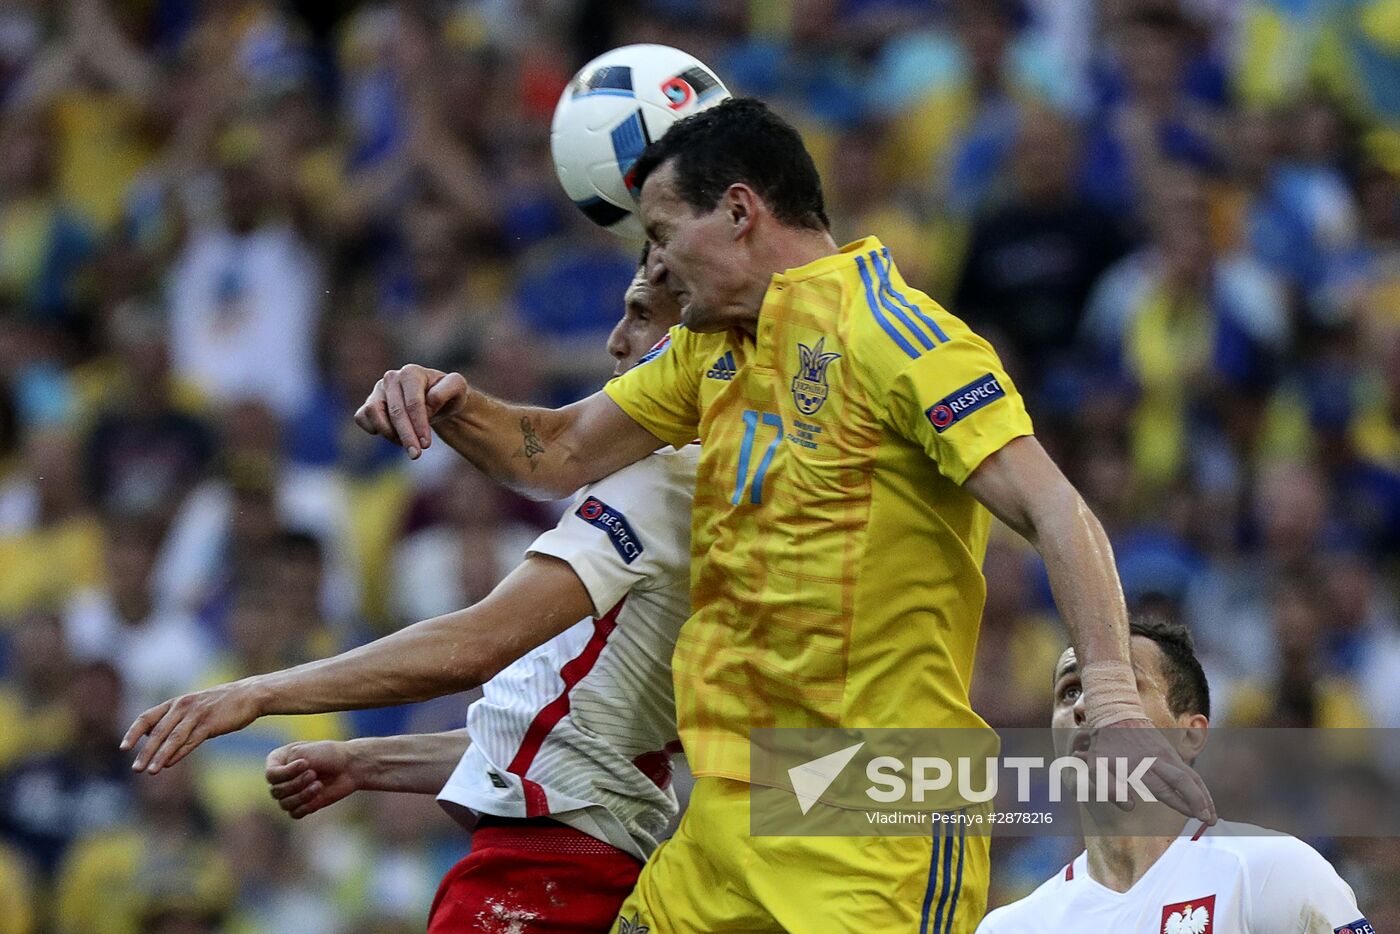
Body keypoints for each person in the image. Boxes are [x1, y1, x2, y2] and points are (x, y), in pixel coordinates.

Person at [352, 97, 1214, 932]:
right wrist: (446, 402)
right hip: (737, 803)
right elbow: (561, 450)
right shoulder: (713, 346)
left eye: (660, 235)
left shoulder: (896, 335)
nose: (654, 266)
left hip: (877, 809)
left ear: (737, 212)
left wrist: (1114, 705)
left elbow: (1055, 508)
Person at [123, 250, 696, 933]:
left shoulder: (668, 483)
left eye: (638, 315)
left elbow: (476, 645)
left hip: (552, 875)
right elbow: (576, 748)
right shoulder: (717, 499)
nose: (614, 340)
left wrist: (255, 692)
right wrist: (367, 761)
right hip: (607, 870)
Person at [976, 615, 1371, 932]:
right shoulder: (1013, 925)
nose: (1084, 706)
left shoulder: (1273, 873)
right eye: (1070, 691)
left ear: (1190, 734)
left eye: (1121, 686)